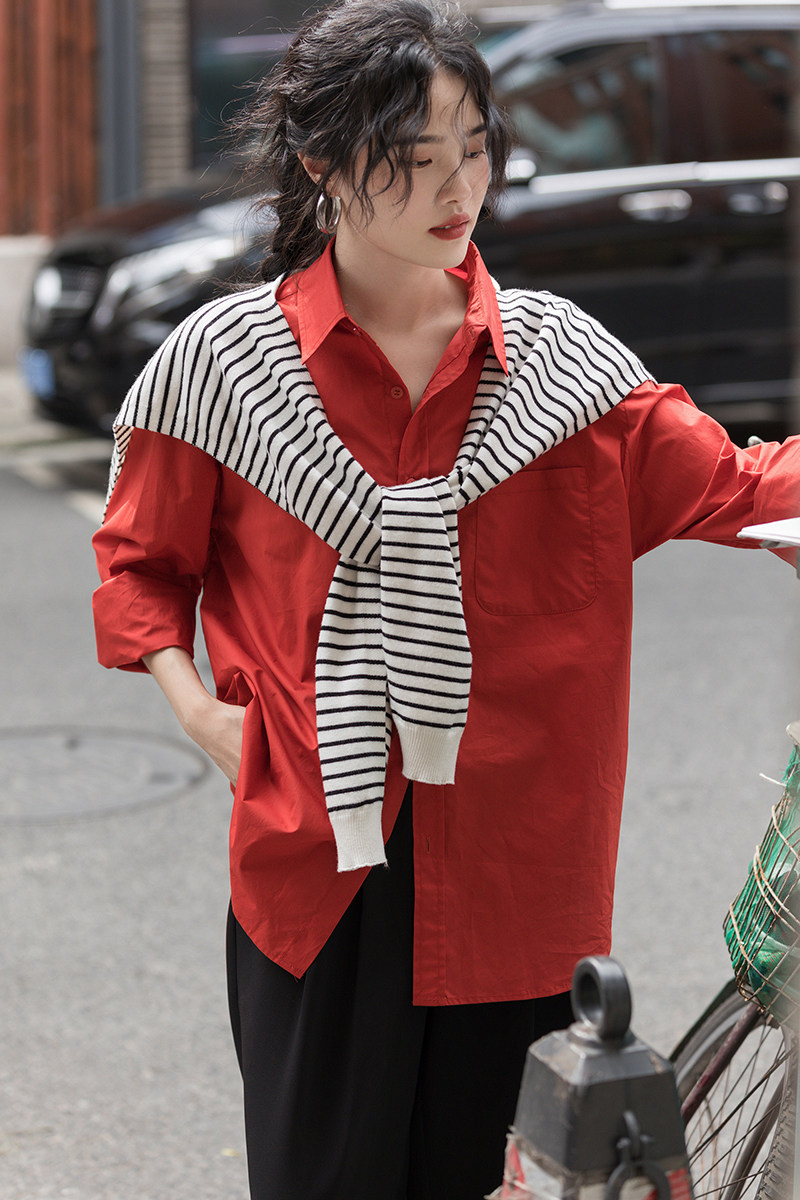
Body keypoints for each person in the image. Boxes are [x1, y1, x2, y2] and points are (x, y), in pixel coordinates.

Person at [91, 1, 800, 1197]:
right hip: (317, 864)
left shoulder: (565, 378)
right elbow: (139, 563)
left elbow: (740, 486)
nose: (455, 187)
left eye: (473, 148)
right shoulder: (222, 374)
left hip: (516, 872)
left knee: (496, 1181)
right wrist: (199, 714)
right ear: (320, 163)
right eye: (411, 157)